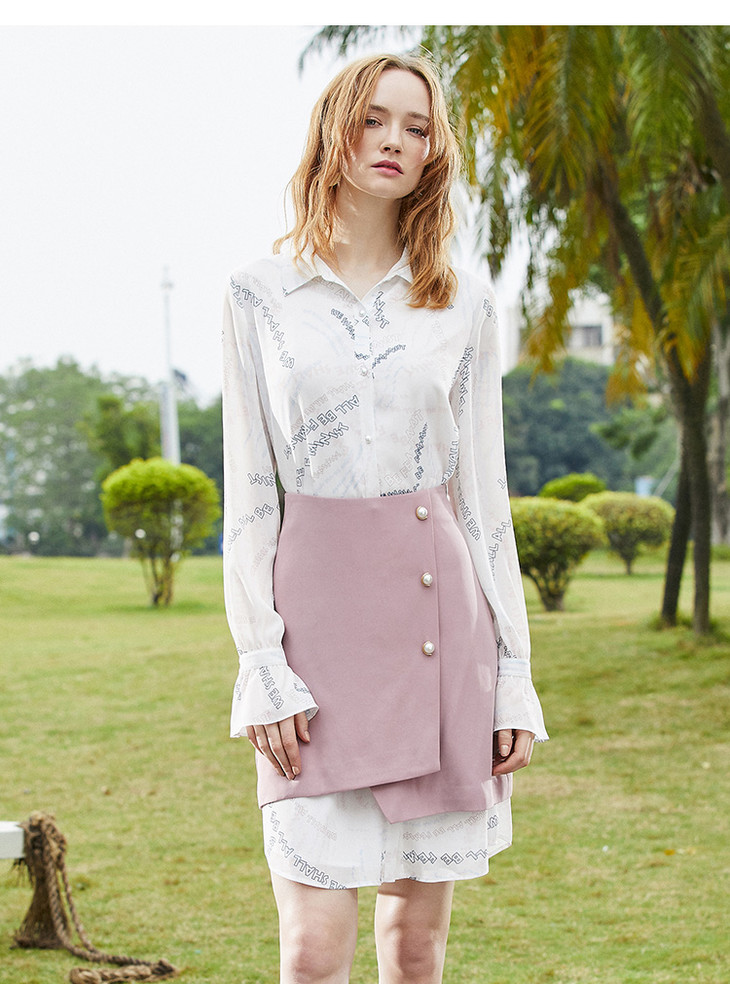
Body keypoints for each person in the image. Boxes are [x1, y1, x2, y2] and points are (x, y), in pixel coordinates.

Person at [221, 52, 548, 984]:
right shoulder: (258, 293)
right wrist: (261, 662)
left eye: (416, 126)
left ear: (434, 152)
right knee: (311, 950)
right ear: (335, 129)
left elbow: (482, 497)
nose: (394, 141)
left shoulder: (463, 301)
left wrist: (514, 676)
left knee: (414, 948)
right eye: (373, 119)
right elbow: (250, 495)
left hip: (439, 633)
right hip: (311, 648)